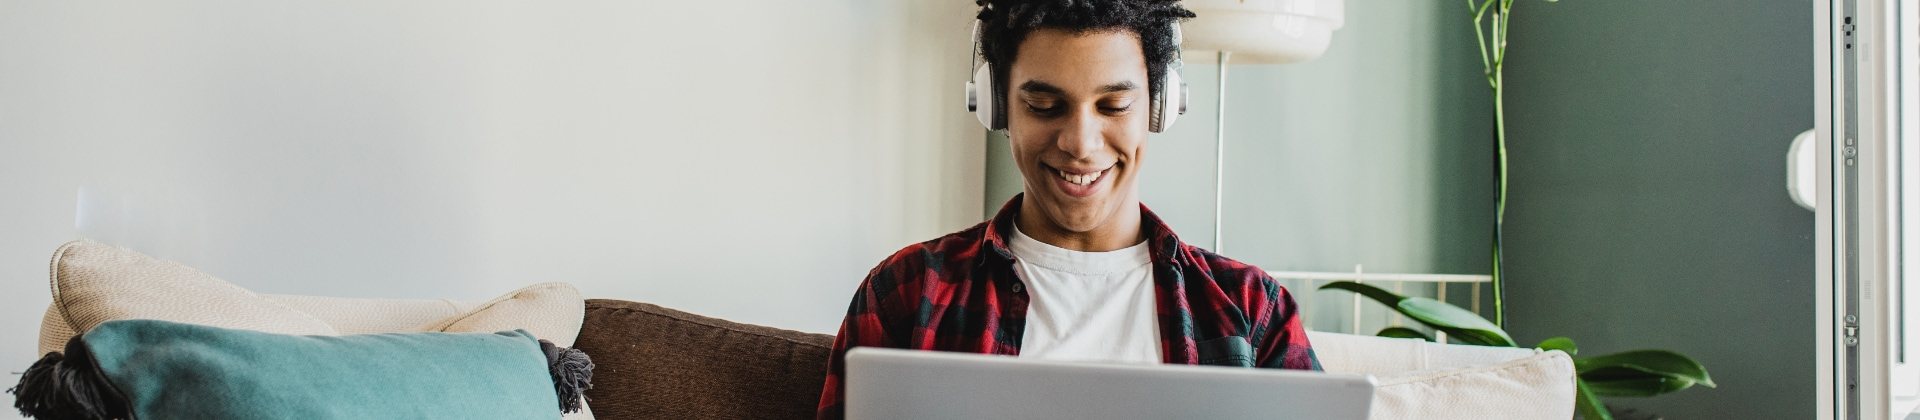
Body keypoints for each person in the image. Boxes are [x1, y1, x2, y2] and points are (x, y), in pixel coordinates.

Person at [816, 0, 1317, 418]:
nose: (1080, 143)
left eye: (1114, 106)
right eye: (1044, 106)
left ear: (1159, 107)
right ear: (996, 105)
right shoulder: (906, 294)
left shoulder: (1253, 313)